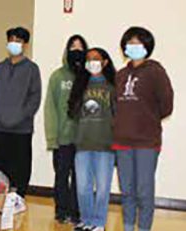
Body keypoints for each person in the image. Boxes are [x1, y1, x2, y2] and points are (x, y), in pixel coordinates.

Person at [113, 27, 174, 231]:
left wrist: (147, 121)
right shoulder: (120, 75)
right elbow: (115, 106)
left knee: (143, 191)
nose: (133, 47)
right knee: (127, 191)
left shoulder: (156, 71)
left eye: (138, 43)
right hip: (122, 141)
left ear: (147, 46)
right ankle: (129, 227)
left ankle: (144, 228)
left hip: (146, 142)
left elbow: (166, 105)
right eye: (130, 43)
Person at [0, 27, 42, 197]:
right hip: (0, 127)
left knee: (20, 166)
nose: (14, 44)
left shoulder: (32, 69)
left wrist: (20, 117)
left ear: (25, 45)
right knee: (0, 167)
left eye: (18, 41)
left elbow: (35, 97)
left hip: (21, 128)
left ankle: (19, 199)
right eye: (12, 40)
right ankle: (0, 200)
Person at [68, 48, 116, 231]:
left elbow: (119, 115)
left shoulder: (113, 86)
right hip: (83, 143)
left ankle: (98, 223)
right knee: (82, 187)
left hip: (105, 145)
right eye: (88, 59)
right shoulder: (80, 85)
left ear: (105, 62)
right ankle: (86, 220)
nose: (92, 62)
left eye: (96, 59)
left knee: (103, 188)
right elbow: (73, 112)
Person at [44, 35, 87, 224]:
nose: (76, 51)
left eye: (80, 48)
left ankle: (76, 212)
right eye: (72, 47)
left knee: (80, 178)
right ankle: (61, 211)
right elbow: (50, 108)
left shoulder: (88, 77)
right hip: (62, 138)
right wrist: (52, 137)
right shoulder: (57, 76)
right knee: (61, 176)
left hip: (84, 139)